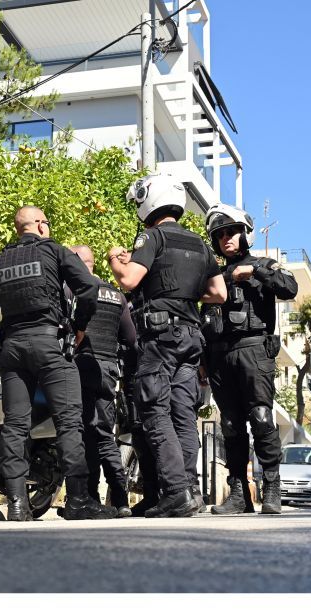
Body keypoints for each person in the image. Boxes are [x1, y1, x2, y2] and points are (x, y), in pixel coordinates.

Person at [0, 206, 116, 521]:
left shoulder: (1, 259)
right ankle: (78, 501)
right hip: (49, 346)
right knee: (69, 423)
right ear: (39, 225)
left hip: (12, 349)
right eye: (46, 222)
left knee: (15, 425)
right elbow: (89, 287)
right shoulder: (54, 251)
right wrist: (79, 325)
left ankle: (17, 504)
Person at [108, 174, 226, 518]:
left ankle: (175, 492)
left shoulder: (152, 236)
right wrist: (184, 293)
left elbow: (128, 279)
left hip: (160, 339)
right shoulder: (200, 244)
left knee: (154, 411)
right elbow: (218, 293)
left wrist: (115, 259)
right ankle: (190, 491)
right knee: (183, 415)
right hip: (191, 338)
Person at [202, 203, 298, 515]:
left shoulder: (263, 264)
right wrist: (203, 360)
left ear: (245, 234)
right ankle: (239, 494)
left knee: (261, 417)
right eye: (220, 235)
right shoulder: (215, 276)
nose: (226, 239)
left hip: (254, 349)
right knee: (230, 424)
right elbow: (204, 318)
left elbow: (290, 288)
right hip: (219, 355)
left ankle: (271, 488)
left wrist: (255, 272)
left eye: (231, 232)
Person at [68, 245, 136, 518]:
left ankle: (90, 497)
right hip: (107, 370)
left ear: (77, 262)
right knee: (105, 435)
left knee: (82, 434)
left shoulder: (73, 290)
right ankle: (120, 499)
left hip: (80, 366)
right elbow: (130, 338)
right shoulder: (116, 295)